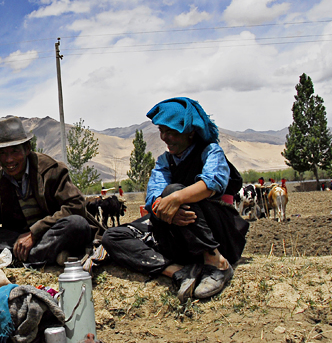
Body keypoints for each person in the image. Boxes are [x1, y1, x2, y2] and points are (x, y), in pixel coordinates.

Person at [102, 97, 248, 301]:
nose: (165, 137)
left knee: (172, 191)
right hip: (179, 237)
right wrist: (166, 211)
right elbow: (153, 195)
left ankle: (217, 263)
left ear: (190, 132)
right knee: (112, 237)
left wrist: (177, 198)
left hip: (217, 234)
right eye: (162, 131)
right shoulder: (165, 161)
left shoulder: (211, 152)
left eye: (171, 132)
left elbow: (212, 183)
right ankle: (180, 272)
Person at [0, 116, 103, 267]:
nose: (9, 160)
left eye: (15, 151)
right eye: (2, 153)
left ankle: (16, 257)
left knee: (77, 224)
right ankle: (44, 255)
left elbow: (76, 206)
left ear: (27, 149)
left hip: (50, 233)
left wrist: (34, 233)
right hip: (20, 237)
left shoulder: (50, 170)